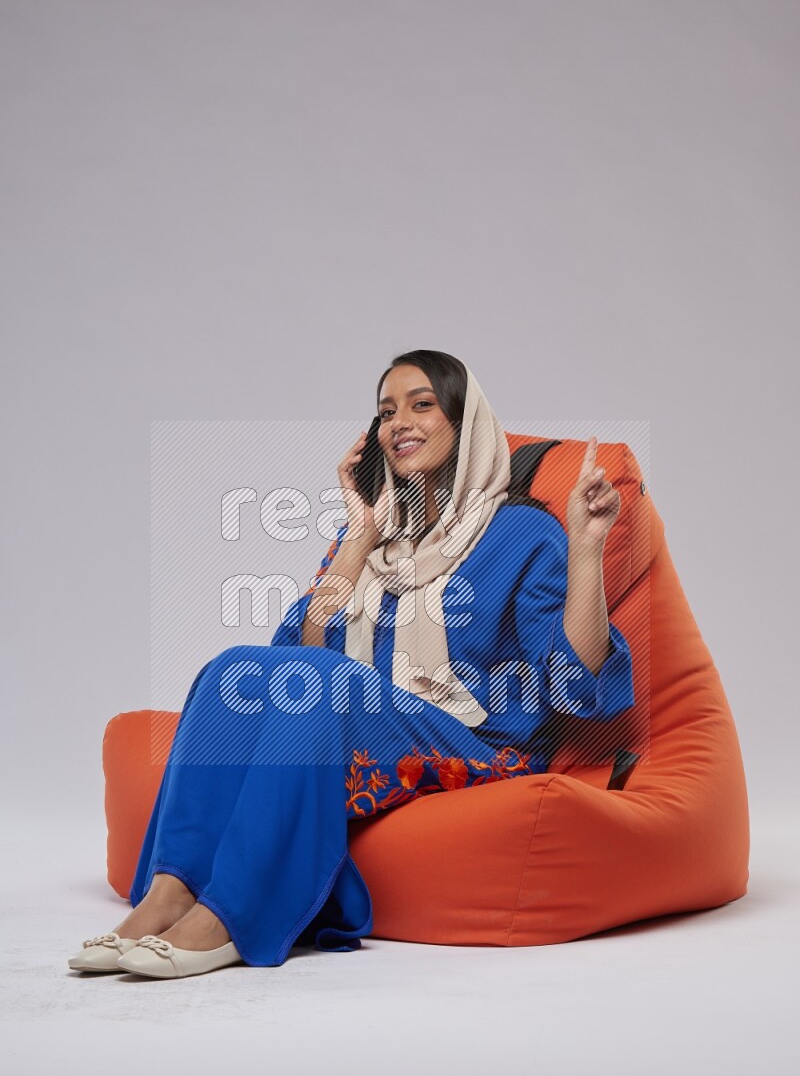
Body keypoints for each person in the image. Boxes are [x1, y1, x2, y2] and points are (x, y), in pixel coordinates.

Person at [68, 349, 635, 979]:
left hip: (475, 742)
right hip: (360, 713)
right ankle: (167, 893)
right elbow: (296, 657)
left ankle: (232, 917)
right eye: (386, 412)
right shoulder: (369, 540)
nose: (400, 423)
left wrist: (587, 549)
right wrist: (360, 536)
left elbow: (575, 681)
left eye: (422, 405)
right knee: (230, 669)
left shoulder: (524, 533)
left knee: (325, 682)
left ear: (465, 422)